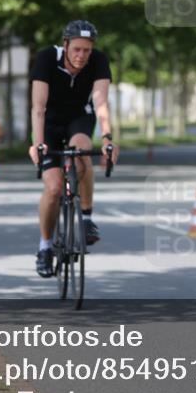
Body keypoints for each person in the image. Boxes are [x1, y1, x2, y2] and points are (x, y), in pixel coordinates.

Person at [28, 20, 119, 278]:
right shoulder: (47, 58)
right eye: (77, 49)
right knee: (55, 187)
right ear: (65, 45)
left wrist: (108, 137)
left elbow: (101, 102)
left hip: (79, 118)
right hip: (48, 122)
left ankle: (87, 218)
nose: (82, 56)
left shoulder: (98, 60)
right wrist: (37, 143)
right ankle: (45, 246)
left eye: (87, 51)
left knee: (82, 152)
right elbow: (38, 108)